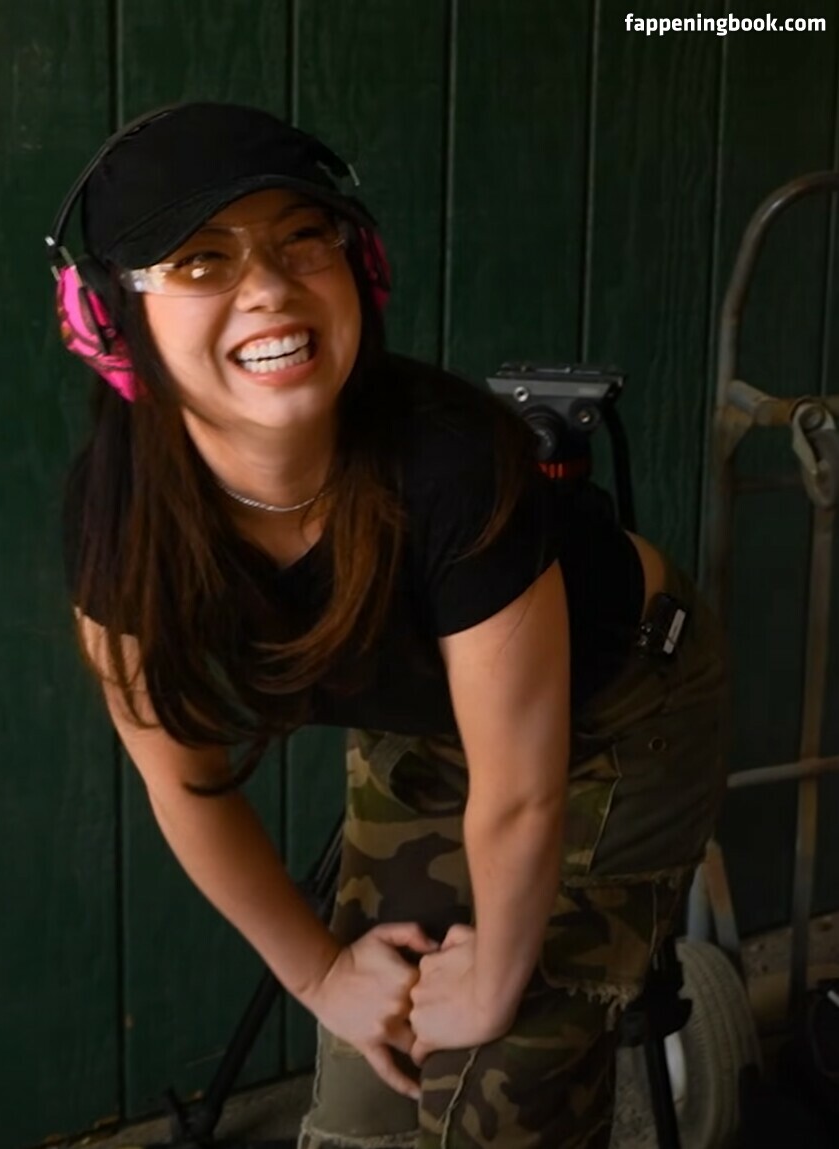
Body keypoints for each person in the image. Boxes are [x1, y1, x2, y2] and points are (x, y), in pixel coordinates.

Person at [50, 101, 728, 1149]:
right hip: (430, 722)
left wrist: (496, 981)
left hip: (626, 707)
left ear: (359, 266)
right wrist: (321, 974)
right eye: (200, 261)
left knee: (494, 1092)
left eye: (302, 238)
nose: (268, 287)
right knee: (376, 1070)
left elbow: (520, 790)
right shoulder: (118, 512)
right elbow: (181, 780)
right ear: (105, 320)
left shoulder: (452, 460)